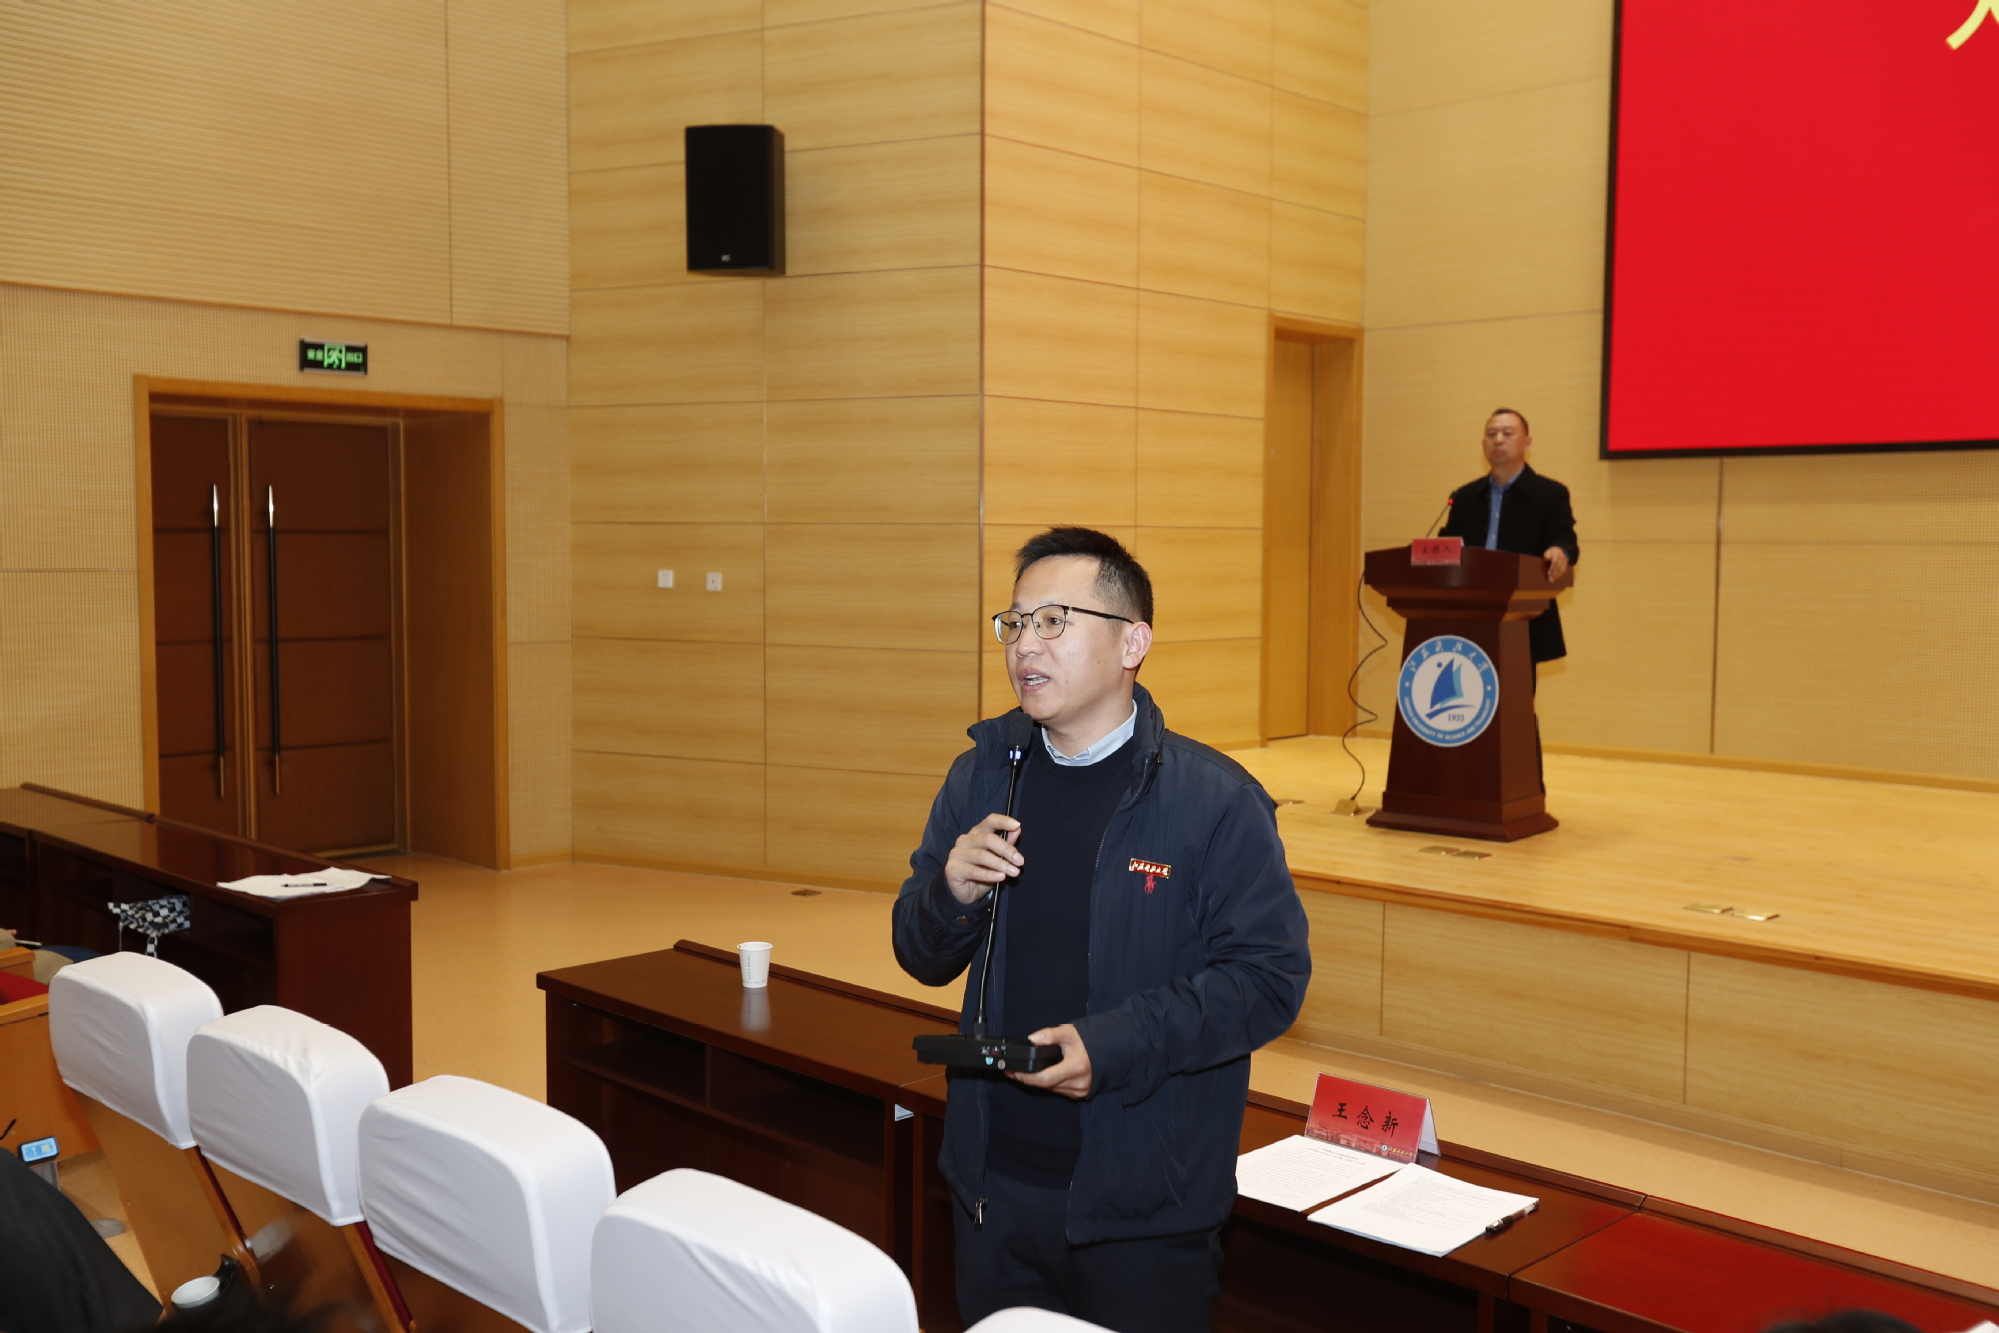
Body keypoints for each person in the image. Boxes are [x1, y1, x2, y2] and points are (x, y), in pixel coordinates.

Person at [892, 526, 1311, 1333]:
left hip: (1142, 1207)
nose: (1025, 645)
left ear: (1132, 643)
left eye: (1054, 620)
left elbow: (1267, 980)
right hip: (991, 1186)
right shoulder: (981, 772)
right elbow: (919, 952)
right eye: (1015, 622)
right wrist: (949, 892)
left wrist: (1112, 1044)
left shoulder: (1214, 800)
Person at [1437, 408, 1580, 674]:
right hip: (1467, 617)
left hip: (1523, 618)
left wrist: (1560, 550)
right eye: (1492, 434)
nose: (1498, 440)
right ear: (1483, 444)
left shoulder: (1550, 493)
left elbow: (1564, 537)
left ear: (1527, 442)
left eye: (1507, 433)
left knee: (1516, 696)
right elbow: (1448, 544)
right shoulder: (1465, 496)